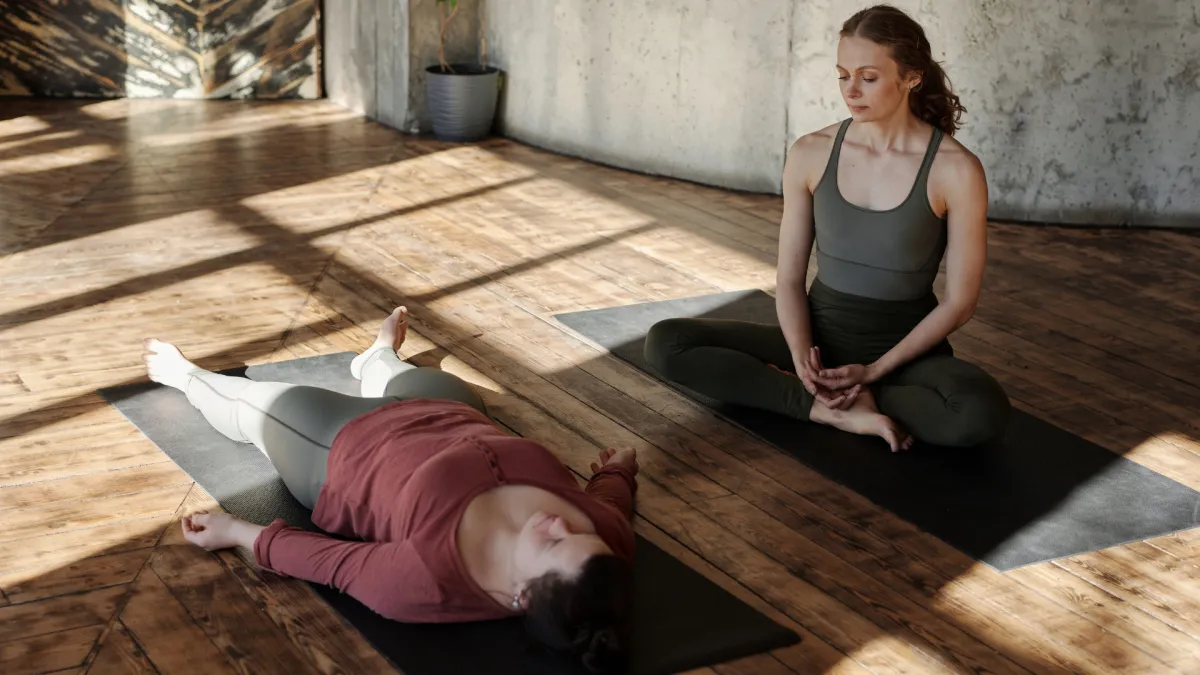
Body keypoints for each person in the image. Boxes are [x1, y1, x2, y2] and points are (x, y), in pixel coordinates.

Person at [143, 306, 639, 673]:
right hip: (452, 412)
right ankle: (377, 358)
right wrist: (617, 471)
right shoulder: (603, 541)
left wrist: (238, 532)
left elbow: (330, 565)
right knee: (415, 378)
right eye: (577, 529)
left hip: (340, 445)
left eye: (553, 542)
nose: (561, 523)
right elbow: (609, 506)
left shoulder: (423, 582)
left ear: (523, 595)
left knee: (246, 405)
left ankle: (186, 375)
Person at [644, 4, 1011, 452]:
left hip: (905, 354)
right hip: (819, 340)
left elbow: (960, 303)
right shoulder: (811, 153)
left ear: (911, 77)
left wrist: (873, 371)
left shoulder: (956, 170)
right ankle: (821, 407)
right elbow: (789, 277)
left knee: (978, 413)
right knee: (667, 342)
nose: (851, 90)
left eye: (868, 77)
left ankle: (868, 396)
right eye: (842, 75)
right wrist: (801, 361)